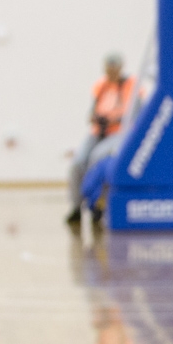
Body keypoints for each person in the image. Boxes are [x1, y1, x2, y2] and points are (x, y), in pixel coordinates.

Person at [67, 53, 137, 227]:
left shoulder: (131, 86)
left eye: (114, 68)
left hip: (118, 133)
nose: (110, 72)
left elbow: (136, 113)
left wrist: (114, 120)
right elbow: (92, 112)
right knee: (78, 162)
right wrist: (96, 118)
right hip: (98, 132)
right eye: (108, 68)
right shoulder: (101, 86)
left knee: (96, 159)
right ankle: (76, 206)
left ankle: (96, 204)